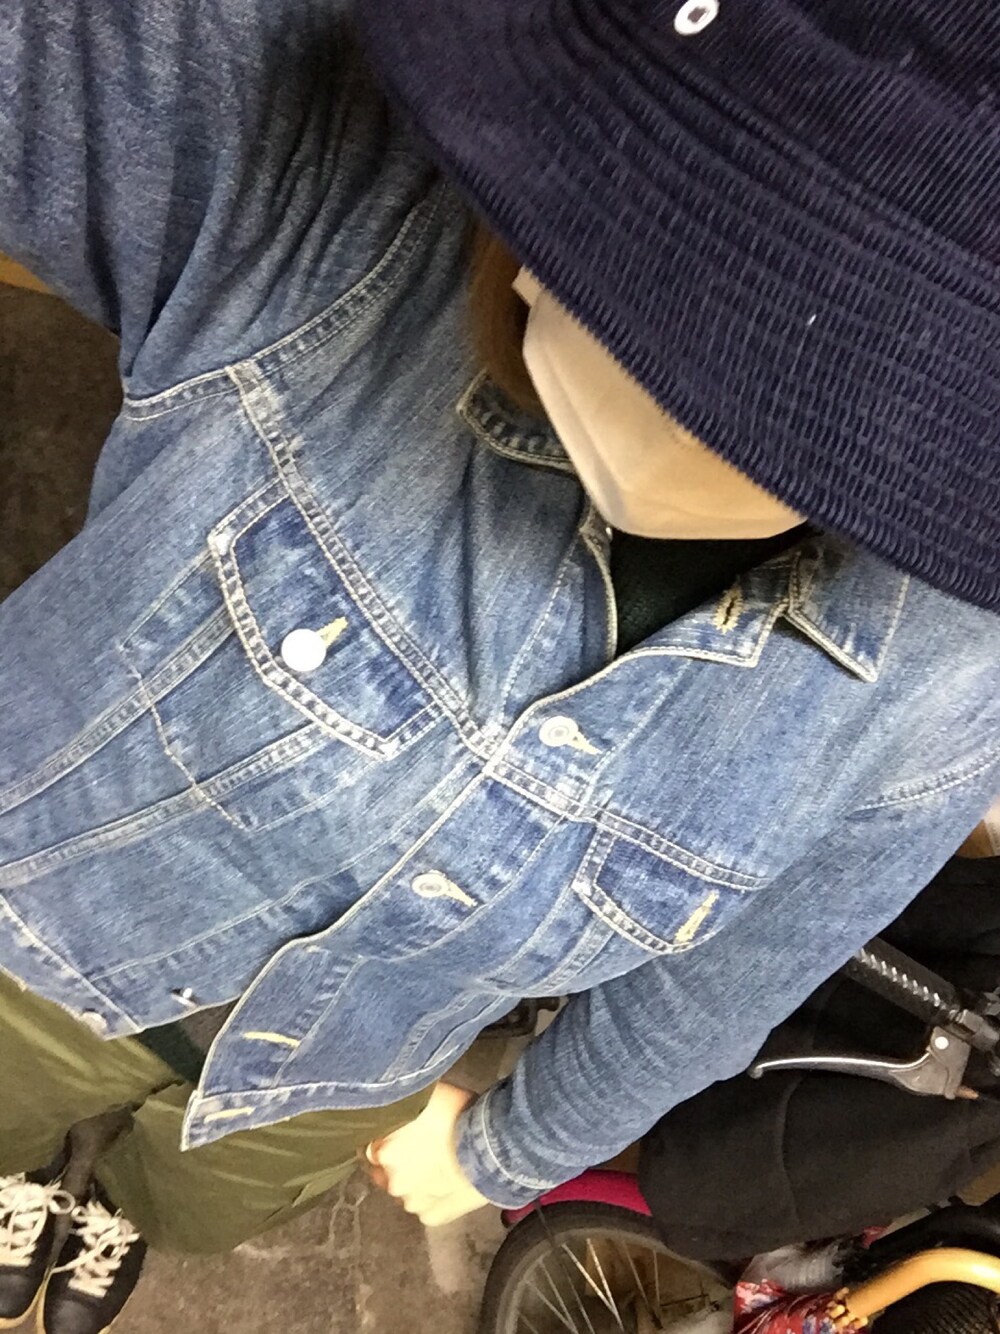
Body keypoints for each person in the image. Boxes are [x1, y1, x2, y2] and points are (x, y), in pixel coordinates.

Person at [1, 0, 999, 1329]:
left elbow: (710, 993)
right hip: (31, 946)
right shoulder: (345, 194)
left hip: (327, 1085)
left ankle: (111, 1201)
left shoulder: (941, 683)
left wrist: (496, 1152)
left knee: (193, 1203)